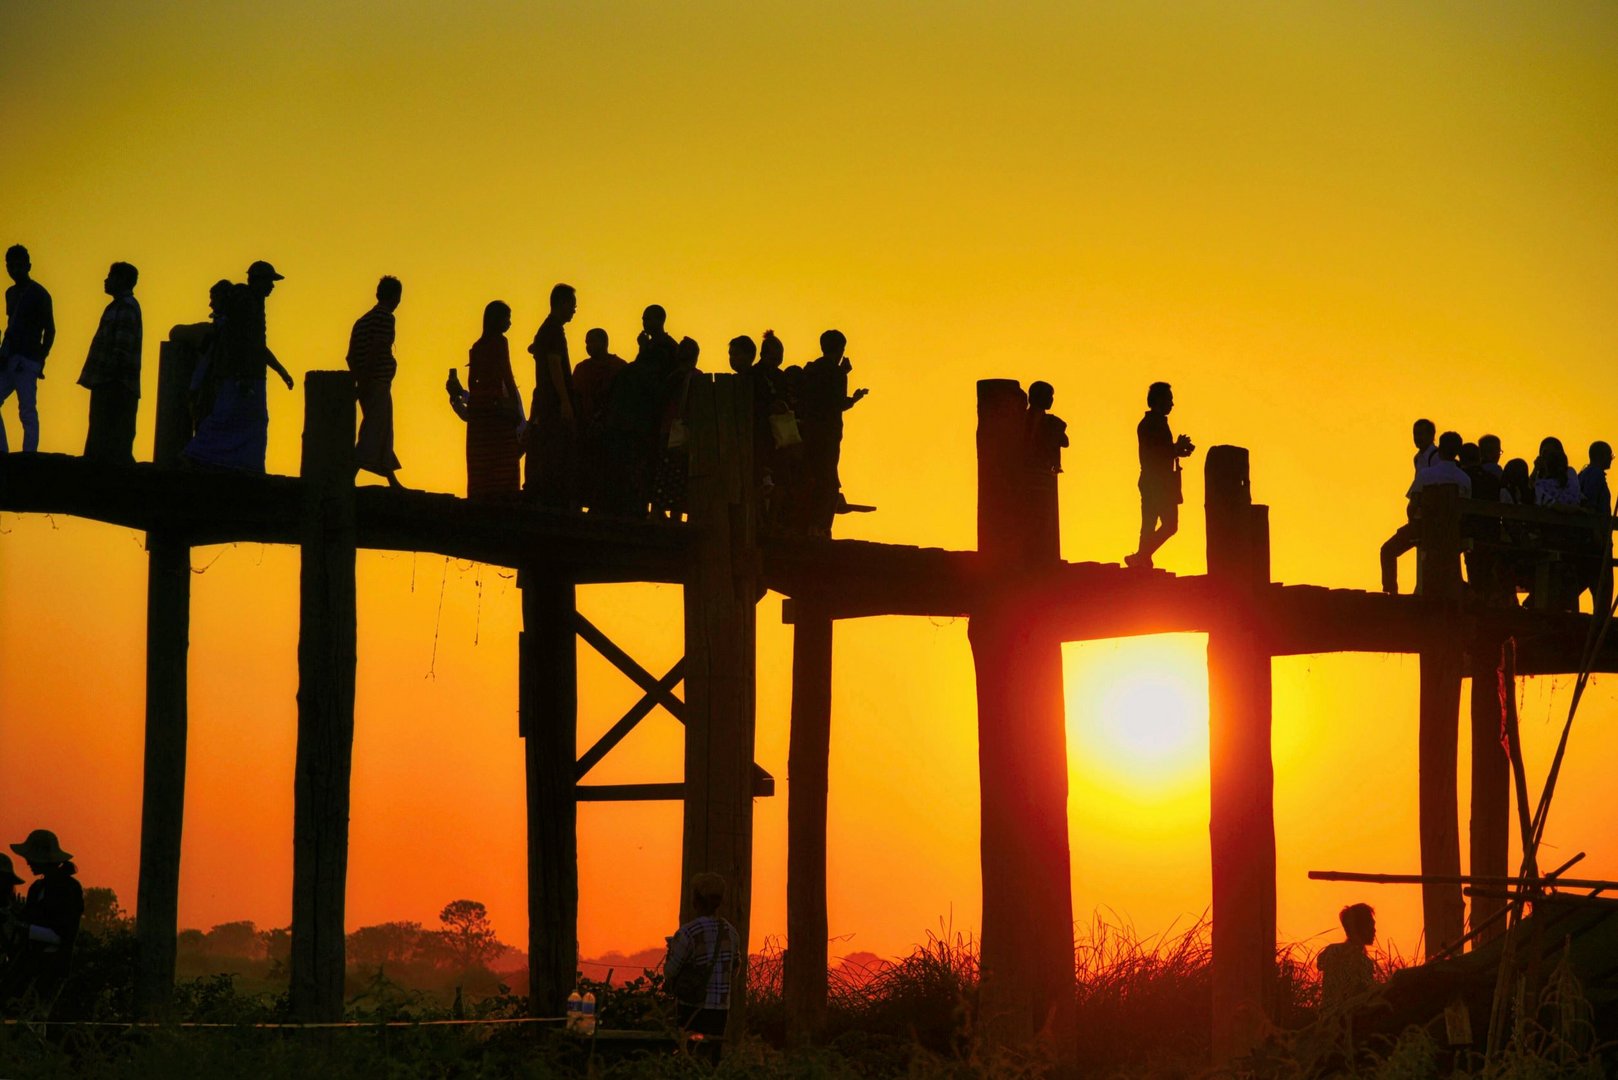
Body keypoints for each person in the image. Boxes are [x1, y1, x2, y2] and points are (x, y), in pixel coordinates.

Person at [184, 261, 294, 473]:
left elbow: (257, 346)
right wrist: (242, 376)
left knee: (251, 421)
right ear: (257, 281)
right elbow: (241, 344)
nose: (272, 287)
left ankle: (244, 463)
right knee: (227, 417)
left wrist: (281, 371)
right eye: (269, 282)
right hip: (242, 376)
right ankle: (196, 454)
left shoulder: (252, 303)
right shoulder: (246, 304)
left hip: (247, 375)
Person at [598, 305, 679, 517]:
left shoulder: (666, 347)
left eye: (648, 319)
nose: (644, 324)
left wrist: (643, 349)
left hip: (647, 414)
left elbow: (650, 376)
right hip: (637, 415)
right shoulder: (653, 345)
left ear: (660, 320)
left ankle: (646, 507)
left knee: (645, 463)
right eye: (643, 319)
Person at [446, 301, 524, 500]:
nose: (509, 323)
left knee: (483, 469)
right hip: (497, 414)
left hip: (480, 415)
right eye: (507, 318)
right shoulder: (500, 342)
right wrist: (514, 403)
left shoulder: (477, 347)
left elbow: (474, 383)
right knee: (503, 468)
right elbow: (506, 374)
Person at [1380, 430, 1471, 594]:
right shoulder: (1464, 478)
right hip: (1452, 533)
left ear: (1439, 449)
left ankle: (1390, 592)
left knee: (1387, 550)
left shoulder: (1425, 475)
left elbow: (1412, 506)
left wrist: (1413, 523)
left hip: (1424, 529)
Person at [797, 329, 869, 535]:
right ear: (839, 349)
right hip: (828, 434)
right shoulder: (836, 374)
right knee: (827, 480)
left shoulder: (810, 370)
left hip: (809, 430)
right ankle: (821, 526)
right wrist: (854, 398)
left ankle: (808, 524)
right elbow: (837, 403)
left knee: (811, 475)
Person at [664, 872, 742, 1061]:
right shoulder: (732, 933)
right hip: (720, 1012)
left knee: (688, 1057)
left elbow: (670, 971)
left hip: (692, 1009)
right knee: (712, 1059)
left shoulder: (688, 933)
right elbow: (735, 970)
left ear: (696, 900)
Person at [0, 830, 83, 1008]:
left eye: (31, 857)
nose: (28, 862)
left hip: (52, 967)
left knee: (36, 1017)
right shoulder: (37, 888)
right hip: (31, 966)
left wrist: (24, 928)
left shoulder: (69, 889)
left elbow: (63, 936)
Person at [77, 261, 143, 465]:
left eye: (110, 276)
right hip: (111, 383)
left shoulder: (124, 307)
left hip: (114, 384)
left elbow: (121, 349)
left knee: (109, 440)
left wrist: (107, 375)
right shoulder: (119, 306)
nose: (106, 280)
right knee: (109, 439)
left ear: (121, 280)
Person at [1126, 381, 1194, 569]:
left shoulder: (1156, 423)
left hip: (1156, 481)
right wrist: (1175, 449)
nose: (1172, 404)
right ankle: (1141, 557)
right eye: (1169, 399)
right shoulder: (1150, 424)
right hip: (1155, 482)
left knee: (1150, 524)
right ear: (1158, 400)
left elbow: (1163, 452)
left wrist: (1177, 449)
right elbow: (1156, 454)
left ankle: (1141, 559)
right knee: (1168, 525)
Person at [346, 275, 405, 487]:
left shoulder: (361, 322)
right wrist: (366, 378)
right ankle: (349, 473)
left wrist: (358, 378)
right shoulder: (385, 318)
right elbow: (377, 349)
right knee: (374, 429)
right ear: (395, 297)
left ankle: (391, 477)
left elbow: (351, 356)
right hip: (376, 382)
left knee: (381, 428)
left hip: (368, 382)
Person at [525, 283, 579, 509]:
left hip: (545, 400)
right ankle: (552, 499)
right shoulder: (553, 330)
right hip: (552, 402)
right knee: (554, 450)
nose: (574, 310)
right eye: (573, 306)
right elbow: (554, 364)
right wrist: (565, 400)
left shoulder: (547, 330)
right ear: (563, 303)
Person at [0, 244, 55, 454]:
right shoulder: (10, 293)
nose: (13, 269)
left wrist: (40, 359)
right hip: (9, 358)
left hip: (27, 359)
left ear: (28, 265)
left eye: (17, 264)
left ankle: (29, 454)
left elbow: (49, 330)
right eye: (10, 265)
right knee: (26, 409)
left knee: (27, 410)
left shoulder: (40, 294)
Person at [573, 327, 626, 510]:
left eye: (592, 341)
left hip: (610, 431)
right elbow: (576, 399)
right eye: (586, 342)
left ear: (604, 343)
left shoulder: (618, 367)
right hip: (586, 430)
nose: (588, 346)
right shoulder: (581, 369)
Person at [651, 336, 700, 520]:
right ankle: (676, 519)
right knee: (680, 481)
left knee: (664, 478)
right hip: (686, 434)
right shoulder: (697, 378)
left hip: (667, 431)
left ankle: (658, 515)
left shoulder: (669, 377)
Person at [1316, 903, 1378, 1013]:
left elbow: (1320, 964)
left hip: (1325, 1019)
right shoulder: (1364, 963)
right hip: (1346, 1023)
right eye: (1371, 925)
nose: (1374, 930)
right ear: (1361, 928)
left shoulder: (1331, 951)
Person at [1026, 380, 1069, 473]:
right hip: (1026, 468)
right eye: (1049, 395)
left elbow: (1065, 442)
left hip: (1045, 470)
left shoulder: (1054, 423)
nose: (1052, 399)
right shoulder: (1020, 418)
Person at [1531, 437, 1581, 508]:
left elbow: (1572, 498)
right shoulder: (1539, 477)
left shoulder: (1569, 473)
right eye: (1545, 453)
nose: (1548, 456)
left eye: (1551, 453)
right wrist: (1535, 469)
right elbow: (1530, 493)